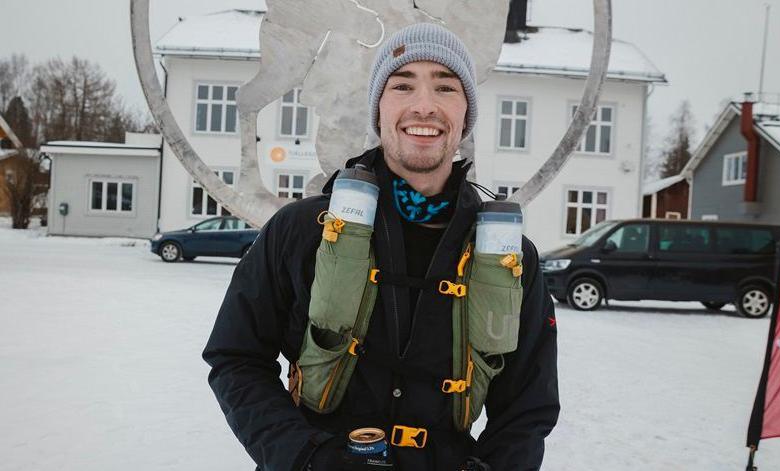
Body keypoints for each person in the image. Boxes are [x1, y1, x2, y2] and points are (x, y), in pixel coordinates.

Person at [203, 23, 559, 471]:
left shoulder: (511, 258)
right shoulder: (301, 229)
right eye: (402, 85)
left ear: (467, 112)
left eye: (446, 87)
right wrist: (307, 457)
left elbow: (528, 408)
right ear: (378, 109)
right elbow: (235, 357)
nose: (424, 106)